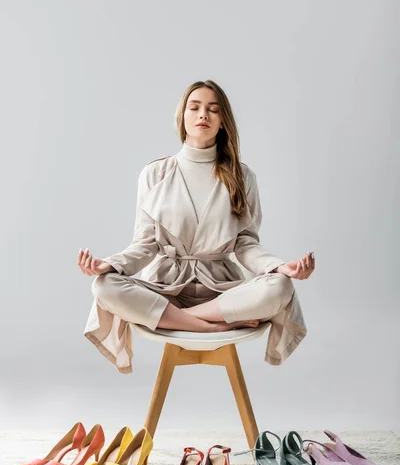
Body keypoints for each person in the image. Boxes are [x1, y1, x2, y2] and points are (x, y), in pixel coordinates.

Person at [79, 80, 313, 373]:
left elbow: (246, 244)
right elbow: (146, 244)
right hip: (166, 288)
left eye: (213, 110)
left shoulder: (242, 176)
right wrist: (110, 265)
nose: (203, 115)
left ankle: (182, 317)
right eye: (195, 107)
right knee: (104, 286)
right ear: (183, 116)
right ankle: (208, 328)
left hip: (222, 293)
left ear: (222, 121)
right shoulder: (155, 173)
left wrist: (281, 268)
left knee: (280, 287)